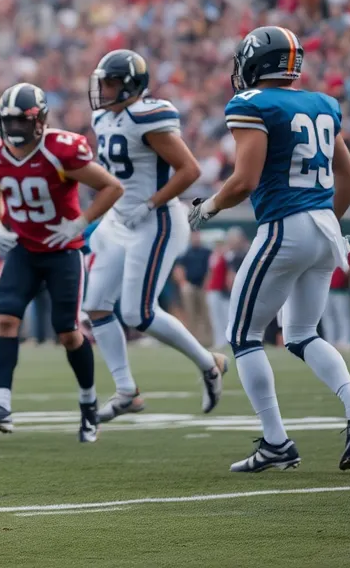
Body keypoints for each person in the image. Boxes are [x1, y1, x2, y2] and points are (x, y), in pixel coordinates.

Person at [190, 26, 350, 472]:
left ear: (256, 62)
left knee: (242, 336)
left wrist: (208, 209)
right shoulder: (322, 104)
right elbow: (349, 179)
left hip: (285, 225)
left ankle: (276, 443)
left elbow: (244, 181)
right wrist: (325, 221)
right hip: (325, 228)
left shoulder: (252, 104)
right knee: (301, 334)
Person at [82, 50, 228, 423]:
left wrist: (148, 204)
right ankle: (126, 391)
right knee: (96, 304)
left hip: (156, 219)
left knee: (137, 312)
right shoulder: (103, 117)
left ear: (131, 85)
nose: (103, 89)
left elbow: (189, 169)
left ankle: (209, 364)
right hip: (119, 220)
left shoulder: (148, 117)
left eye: (111, 82)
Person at [0, 83, 123, 442]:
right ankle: (1, 402)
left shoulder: (62, 151)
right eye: (8, 120)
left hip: (63, 251)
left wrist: (80, 222)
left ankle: (88, 403)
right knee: (6, 318)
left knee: (68, 332)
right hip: (25, 249)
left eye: (21, 121)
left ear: (40, 121)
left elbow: (111, 187)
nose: (13, 128)